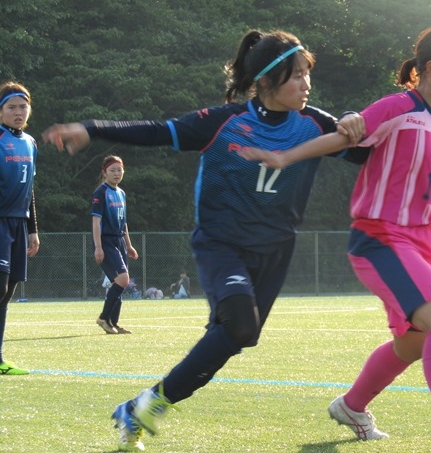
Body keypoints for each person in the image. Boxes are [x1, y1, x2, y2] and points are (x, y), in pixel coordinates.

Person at [41, 29, 363, 451]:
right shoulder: (223, 122)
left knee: (237, 338)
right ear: (265, 82)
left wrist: (361, 122)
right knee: (241, 326)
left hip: (276, 249)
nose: (306, 84)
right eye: (295, 76)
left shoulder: (316, 124)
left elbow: (370, 152)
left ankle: (142, 408)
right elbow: (156, 131)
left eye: (307, 74)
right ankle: (143, 408)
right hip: (221, 244)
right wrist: (91, 127)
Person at [240, 25, 431, 452]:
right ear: (430, 69)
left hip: (416, 247)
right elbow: (343, 135)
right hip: (380, 239)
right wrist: (285, 156)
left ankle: (352, 407)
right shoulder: (397, 107)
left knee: (413, 342)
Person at [0, 82, 40, 376]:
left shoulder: (30, 143)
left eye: (22, 107)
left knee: (7, 291)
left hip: (19, 222)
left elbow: (31, 189)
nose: (18, 112)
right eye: (11, 107)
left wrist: (33, 228)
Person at [91, 155, 139, 335]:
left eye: (120, 170)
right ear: (105, 173)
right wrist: (98, 246)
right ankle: (104, 318)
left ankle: (113, 323)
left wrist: (129, 245)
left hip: (118, 241)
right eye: (113, 170)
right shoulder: (100, 192)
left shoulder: (121, 193)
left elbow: (123, 222)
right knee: (122, 279)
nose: (117, 173)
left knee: (119, 282)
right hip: (106, 241)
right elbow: (96, 221)